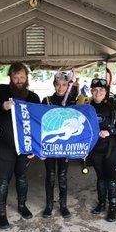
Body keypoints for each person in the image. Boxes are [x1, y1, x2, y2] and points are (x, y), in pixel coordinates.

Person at [0, 62, 40, 229]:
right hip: (4, 146)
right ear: (10, 77)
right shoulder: (0, 91)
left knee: (22, 177)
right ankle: (1, 213)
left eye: (22, 77)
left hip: (25, 146)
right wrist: (2, 106)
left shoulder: (33, 97)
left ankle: (22, 205)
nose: (19, 80)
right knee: (3, 180)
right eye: (15, 77)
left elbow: (38, 124)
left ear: (27, 78)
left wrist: (35, 147)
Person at [89, 77, 116, 222]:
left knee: (111, 179)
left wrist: (111, 131)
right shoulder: (88, 106)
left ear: (106, 91)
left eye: (101, 90)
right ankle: (101, 204)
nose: (98, 92)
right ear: (91, 91)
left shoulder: (115, 105)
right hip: (95, 149)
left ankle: (112, 208)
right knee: (101, 178)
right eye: (95, 90)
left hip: (113, 147)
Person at [41, 72, 78, 219]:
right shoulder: (46, 100)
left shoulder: (73, 101)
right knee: (50, 175)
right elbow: (40, 121)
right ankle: (49, 205)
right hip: (51, 145)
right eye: (58, 84)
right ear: (54, 85)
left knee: (62, 176)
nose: (61, 87)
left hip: (65, 145)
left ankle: (63, 205)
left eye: (64, 84)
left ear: (67, 85)